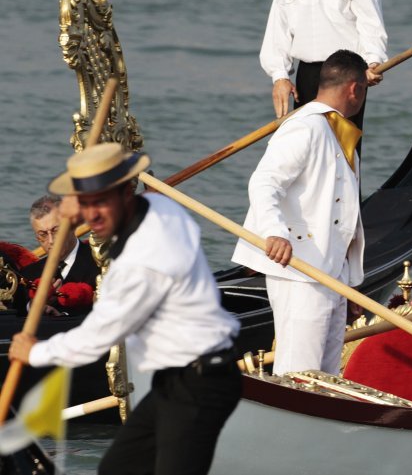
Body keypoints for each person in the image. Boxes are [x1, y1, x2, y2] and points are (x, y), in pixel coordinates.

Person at [9, 143, 241, 475]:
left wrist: (35, 353)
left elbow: (97, 337)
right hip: (173, 382)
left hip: (200, 385)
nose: (93, 216)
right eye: (88, 205)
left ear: (127, 192)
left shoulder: (142, 262)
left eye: (102, 203)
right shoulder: (161, 208)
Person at [232, 49, 367, 376]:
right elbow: (265, 181)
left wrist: (348, 284)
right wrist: (274, 232)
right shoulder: (305, 127)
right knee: (299, 371)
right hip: (300, 270)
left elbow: (342, 216)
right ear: (354, 88)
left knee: (327, 375)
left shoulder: (339, 135)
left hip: (330, 277)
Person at [16, 195, 100, 317]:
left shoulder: (102, 263)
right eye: (43, 234)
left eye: (55, 230)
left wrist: (62, 316)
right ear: (36, 237)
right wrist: (34, 306)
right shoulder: (28, 275)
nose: (50, 241)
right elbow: (16, 313)